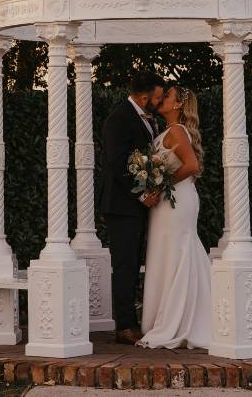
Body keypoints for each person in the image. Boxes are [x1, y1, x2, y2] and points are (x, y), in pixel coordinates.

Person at [138, 84, 212, 349]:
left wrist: (160, 185)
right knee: (169, 253)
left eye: (167, 96)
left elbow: (192, 166)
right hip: (169, 201)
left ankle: (180, 320)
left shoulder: (178, 131)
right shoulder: (168, 131)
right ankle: (171, 316)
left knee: (178, 253)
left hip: (177, 201)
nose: (161, 99)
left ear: (179, 104)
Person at [98, 71, 165, 345]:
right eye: (158, 97)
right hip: (122, 204)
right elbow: (116, 162)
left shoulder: (147, 118)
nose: (159, 102)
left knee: (134, 262)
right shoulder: (120, 117)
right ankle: (123, 325)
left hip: (135, 204)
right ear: (144, 96)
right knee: (125, 264)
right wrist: (140, 194)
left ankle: (133, 321)